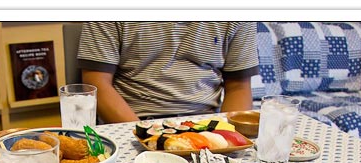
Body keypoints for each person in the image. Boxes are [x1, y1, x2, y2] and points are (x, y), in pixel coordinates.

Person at [77, 22, 259, 123]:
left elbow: (238, 87)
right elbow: (96, 82)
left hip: (205, 122)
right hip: (134, 121)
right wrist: (142, 132)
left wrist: (223, 134)